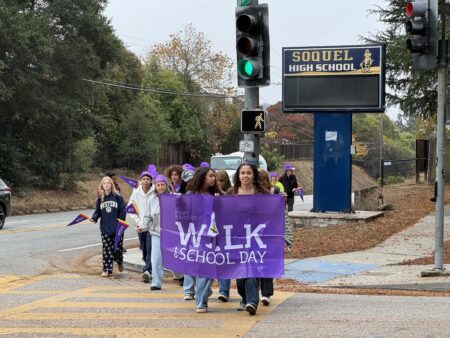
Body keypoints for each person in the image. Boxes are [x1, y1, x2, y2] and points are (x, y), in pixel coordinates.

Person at [228, 163, 270, 316]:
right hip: (236, 238)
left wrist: (281, 201)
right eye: (242, 173)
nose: (245, 176)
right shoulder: (231, 193)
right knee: (240, 273)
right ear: (238, 176)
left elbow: (272, 212)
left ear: (253, 175)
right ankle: (244, 297)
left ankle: (252, 301)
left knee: (252, 267)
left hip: (256, 237)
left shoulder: (262, 193)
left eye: (248, 173)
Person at [184, 167, 222, 313]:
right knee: (193, 269)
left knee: (207, 269)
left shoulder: (217, 195)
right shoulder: (190, 195)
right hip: (193, 238)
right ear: (202, 177)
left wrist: (220, 203)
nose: (214, 179)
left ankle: (201, 302)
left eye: (214, 176)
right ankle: (204, 291)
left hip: (211, 239)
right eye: (211, 176)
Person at [90, 176, 126, 277]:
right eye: (104, 183)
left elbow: (122, 211)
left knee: (117, 250)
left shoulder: (118, 197)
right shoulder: (100, 199)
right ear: (102, 185)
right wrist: (94, 218)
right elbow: (97, 212)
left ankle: (119, 262)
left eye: (108, 183)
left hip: (117, 228)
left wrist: (121, 224)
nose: (106, 184)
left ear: (111, 185)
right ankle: (107, 269)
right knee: (106, 249)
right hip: (105, 228)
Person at [140, 175, 169, 291]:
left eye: (162, 184)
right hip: (156, 233)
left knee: (175, 257)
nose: (160, 187)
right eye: (158, 185)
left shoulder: (174, 198)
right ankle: (156, 282)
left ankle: (180, 276)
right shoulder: (152, 200)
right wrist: (143, 227)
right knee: (155, 258)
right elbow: (148, 217)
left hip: (172, 234)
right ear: (155, 186)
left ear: (166, 185)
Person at [128, 171, 156, 283]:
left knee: (150, 248)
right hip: (140, 225)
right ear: (141, 181)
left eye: (148, 179)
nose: (145, 181)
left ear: (151, 181)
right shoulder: (136, 193)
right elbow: (130, 209)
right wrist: (137, 220)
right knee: (144, 248)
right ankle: (148, 268)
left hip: (152, 226)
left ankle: (147, 270)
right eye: (143, 179)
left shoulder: (155, 192)